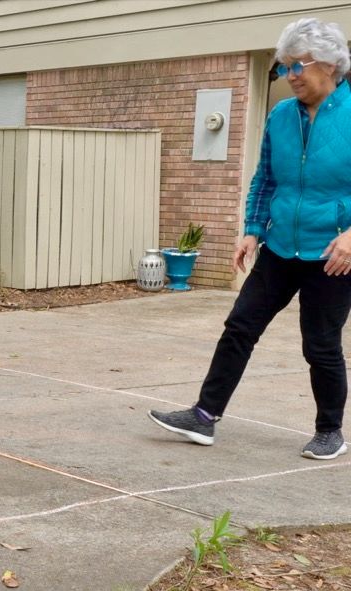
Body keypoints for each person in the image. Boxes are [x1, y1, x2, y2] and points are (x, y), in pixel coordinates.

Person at [148, 17, 351, 460]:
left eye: (298, 66)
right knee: (240, 326)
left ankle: (330, 430)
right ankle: (204, 416)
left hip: (334, 253)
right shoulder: (280, 116)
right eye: (284, 67)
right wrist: (252, 230)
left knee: (319, 344)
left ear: (330, 64)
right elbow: (265, 179)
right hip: (280, 246)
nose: (290, 76)